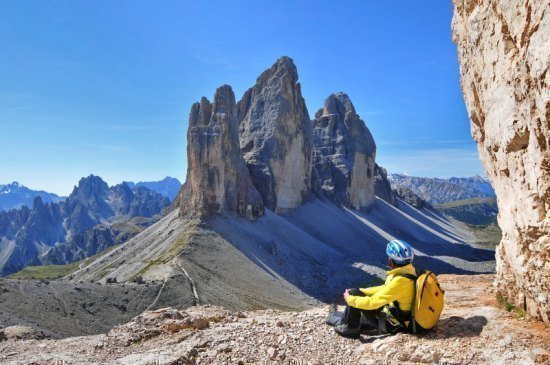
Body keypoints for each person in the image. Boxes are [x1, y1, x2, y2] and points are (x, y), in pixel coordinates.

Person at [326, 239, 417, 338]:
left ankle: (348, 328)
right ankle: (336, 316)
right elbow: (386, 288)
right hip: (397, 318)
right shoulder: (408, 273)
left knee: (352, 301)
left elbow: (373, 303)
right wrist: (362, 291)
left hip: (392, 324)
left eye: (389, 257)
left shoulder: (400, 281)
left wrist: (350, 299)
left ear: (391, 260)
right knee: (354, 295)